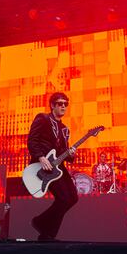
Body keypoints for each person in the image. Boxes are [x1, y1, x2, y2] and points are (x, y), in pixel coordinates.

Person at [27, 92, 78, 241]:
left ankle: (41, 223)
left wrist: (71, 154)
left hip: (58, 166)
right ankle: (47, 233)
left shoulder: (65, 129)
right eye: (60, 103)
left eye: (65, 104)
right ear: (52, 105)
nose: (63, 106)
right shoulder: (42, 118)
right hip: (42, 165)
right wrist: (40, 157)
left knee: (72, 198)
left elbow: (63, 152)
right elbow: (32, 140)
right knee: (63, 198)